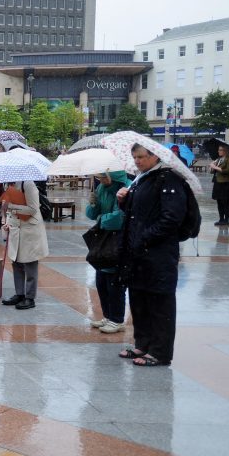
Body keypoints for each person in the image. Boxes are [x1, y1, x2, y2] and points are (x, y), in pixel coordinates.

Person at [117, 144, 188, 367]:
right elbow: (137, 212)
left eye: (141, 157)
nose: (137, 161)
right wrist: (123, 200)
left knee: (159, 303)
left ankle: (160, 351)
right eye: (135, 157)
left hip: (158, 253)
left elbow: (171, 218)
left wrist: (145, 237)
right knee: (140, 300)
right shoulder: (142, 179)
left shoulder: (168, 179)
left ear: (154, 156)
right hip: (138, 253)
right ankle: (143, 343)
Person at [85, 170, 131, 332]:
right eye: (98, 177)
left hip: (118, 240)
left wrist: (101, 219)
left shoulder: (126, 188)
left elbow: (118, 218)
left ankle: (117, 319)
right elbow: (92, 214)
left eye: (103, 176)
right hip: (103, 238)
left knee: (115, 281)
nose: (101, 180)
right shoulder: (101, 189)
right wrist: (93, 204)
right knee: (101, 281)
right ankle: (107, 316)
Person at [0, 180, 49, 310]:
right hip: (16, 229)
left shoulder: (27, 184)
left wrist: (11, 207)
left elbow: (33, 209)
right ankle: (20, 294)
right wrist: (6, 221)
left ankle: (30, 297)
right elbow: (8, 209)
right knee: (16, 262)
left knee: (29, 263)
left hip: (30, 230)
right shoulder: (8, 184)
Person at [209, 144, 229, 227]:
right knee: (219, 201)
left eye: (220, 150)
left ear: (225, 151)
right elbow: (212, 172)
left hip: (226, 183)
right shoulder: (218, 159)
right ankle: (221, 219)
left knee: (225, 202)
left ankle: (226, 220)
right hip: (218, 182)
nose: (218, 151)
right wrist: (212, 167)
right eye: (219, 150)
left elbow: (228, 171)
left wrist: (215, 167)